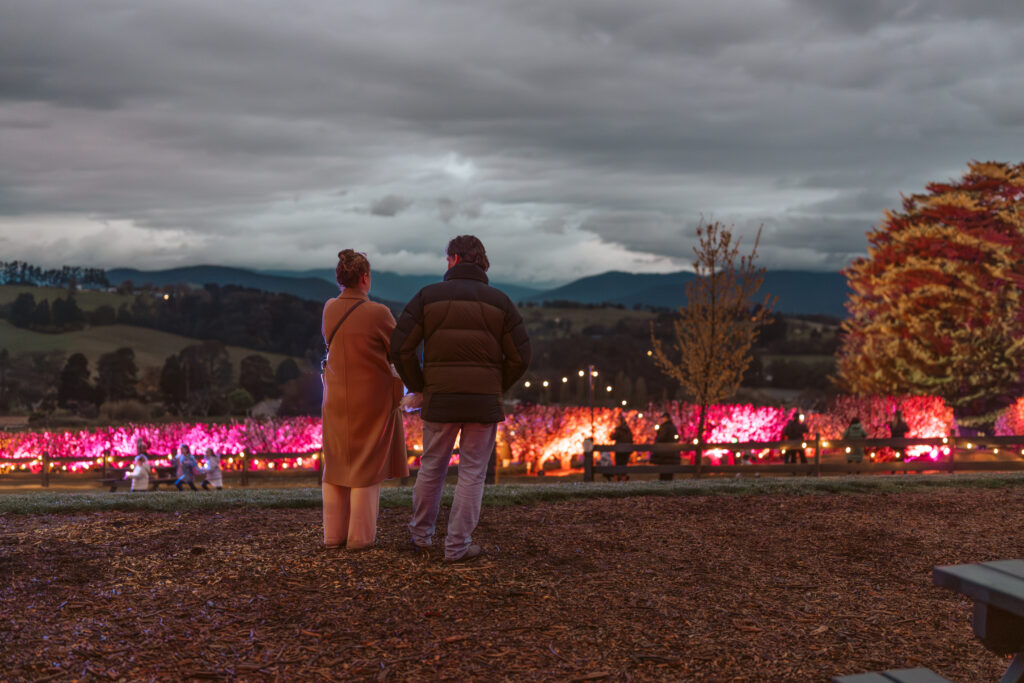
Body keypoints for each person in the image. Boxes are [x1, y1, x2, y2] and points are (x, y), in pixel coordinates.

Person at [391, 235, 531, 563]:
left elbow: (400, 347)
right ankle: (457, 546)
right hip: (483, 402)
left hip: (440, 399)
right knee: (472, 473)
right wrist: (496, 385)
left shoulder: (428, 297)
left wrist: (420, 385)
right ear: (480, 261)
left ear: (453, 259)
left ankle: (421, 537)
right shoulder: (501, 302)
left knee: (432, 467)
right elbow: (521, 356)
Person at [321, 249, 408, 551]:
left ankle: (333, 536)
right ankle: (360, 538)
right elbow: (400, 349)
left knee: (336, 466)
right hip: (371, 401)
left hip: (335, 399)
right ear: (365, 278)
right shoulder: (378, 313)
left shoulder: (329, 308)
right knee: (366, 467)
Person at [652, 412, 680, 481]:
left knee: (663, 472)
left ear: (665, 418)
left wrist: (656, 443)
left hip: (664, 454)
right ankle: (668, 484)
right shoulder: (673, 427)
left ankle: (663, 485)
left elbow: (661, 438)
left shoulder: (664, 427)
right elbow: (677, 437)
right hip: (672, 453)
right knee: (669, 472)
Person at [610, 417, 634, 482]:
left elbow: (612, 437)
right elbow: (631, 440)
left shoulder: (619, 430)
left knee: (618, 464)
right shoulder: (628, 430)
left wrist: (611, 433)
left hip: (619, 451)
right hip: (626, 451)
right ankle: (624, 478)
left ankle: (618, 478)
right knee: (624, 464)